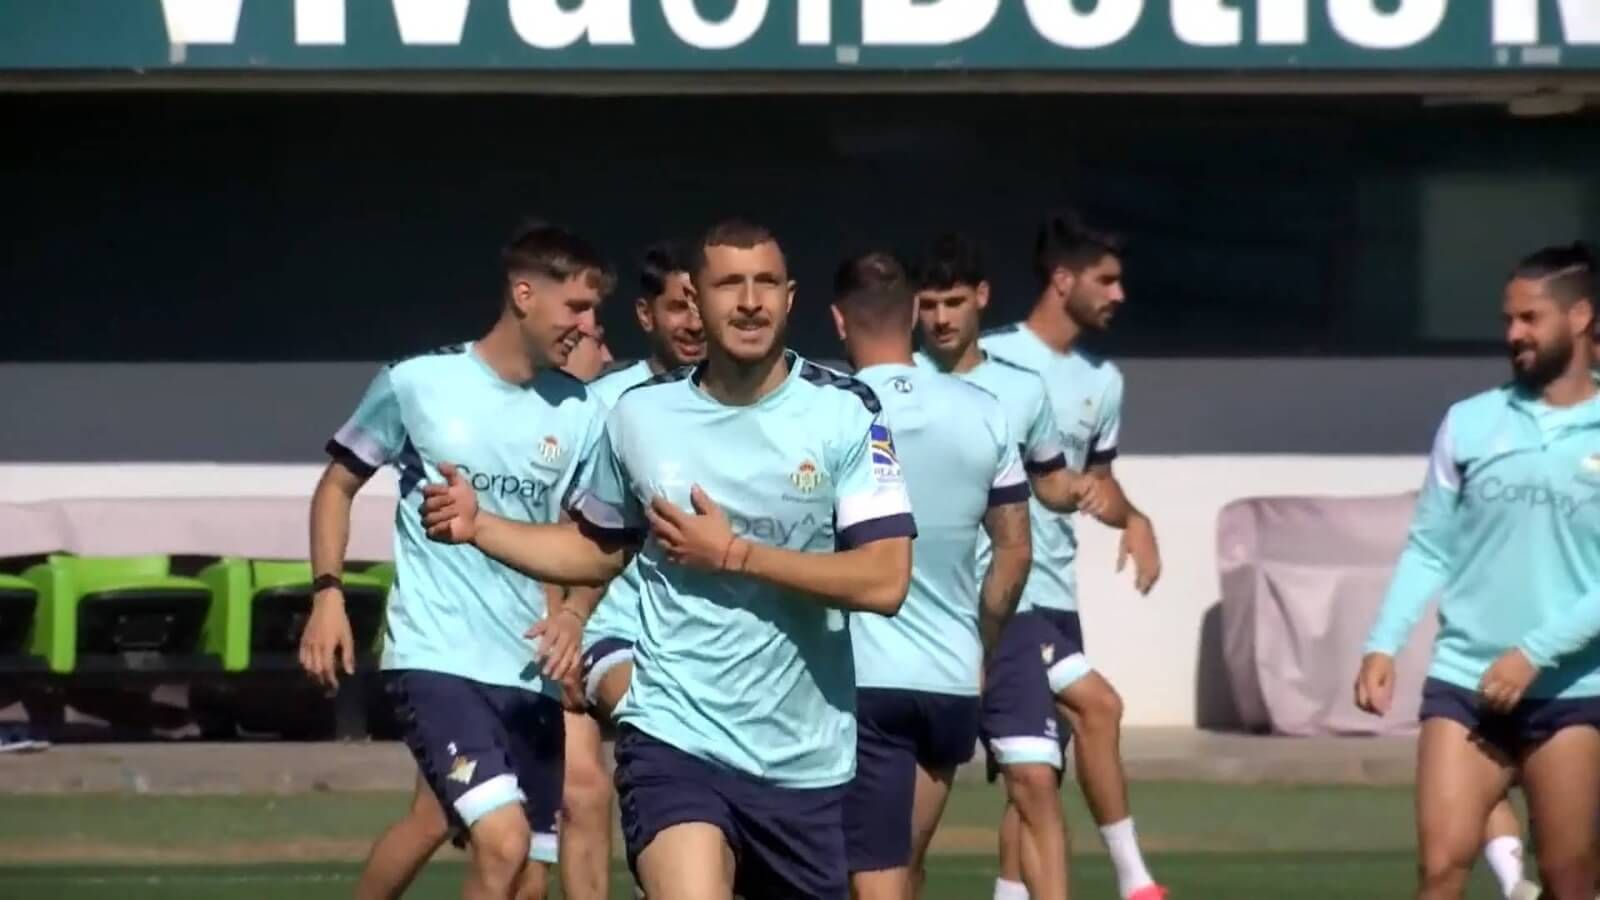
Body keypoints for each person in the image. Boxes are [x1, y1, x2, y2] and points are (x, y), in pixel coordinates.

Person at [419, 219, 916, 900]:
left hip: (807, 761)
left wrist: (738, 554)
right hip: (676, 735)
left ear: (791, 298)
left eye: (765, 283)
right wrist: (483, 528)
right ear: (696, 301)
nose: (748, 301)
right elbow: (596, 550)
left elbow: (885, 578)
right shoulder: (638, 415)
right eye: (728, 285)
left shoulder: (847, 413)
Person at [299, 221, 613, 900]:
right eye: (577, 308)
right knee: (502, 844)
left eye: (594, 312)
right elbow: (337, 485)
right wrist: (327, 593)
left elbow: (592, 543)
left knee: (527, 878)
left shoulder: (583, 413)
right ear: (524, 294)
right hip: (436, 659)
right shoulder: (418, 382)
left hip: (527, 675)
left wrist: (575, 617)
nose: (588, 327)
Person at [1356, 242, 1600, 900]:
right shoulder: (1469, 422)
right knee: (1440, 868)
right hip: (1463, 682)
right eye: (1507, 321)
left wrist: (1533, 654)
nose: (1513, 334)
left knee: (1569, 879)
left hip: (1570, 691)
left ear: (1579, 318)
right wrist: (1383, 642)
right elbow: (1429, 546)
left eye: (1529, 318)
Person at [912, 232, 1117, 900]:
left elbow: (1050, 481)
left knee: (1035, 779)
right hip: (922, 623)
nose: (941, 318)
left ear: (981, 299)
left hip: (1009, 619)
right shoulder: (897, 383)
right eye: (928, 304)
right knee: (909, 827)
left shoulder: (1023, 390)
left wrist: (1081, 490)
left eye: (953, 302)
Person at [827, 250, 1034, 900]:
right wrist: (984, 640)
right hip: (951, 682)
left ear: (838, 322)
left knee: (869, 879)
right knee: (903, 869)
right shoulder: (985, 410)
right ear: (915, 312)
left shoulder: (826, 407)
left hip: (863, 681)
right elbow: (1015, 550)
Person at [975, 214, 1166, 900]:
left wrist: (1133, 519)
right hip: (1008, 599)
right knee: (1100, 709)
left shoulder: (1102, 381)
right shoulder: (991, 360)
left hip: (1059, 598)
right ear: (1062, 279)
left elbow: (1097, 484)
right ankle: (1135, 880)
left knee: (1036, 775)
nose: (1119, 294)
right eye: (1105, 279)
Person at [559, 240, 705, 900]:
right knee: (666, 730)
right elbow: (570, 528)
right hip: (614, 627)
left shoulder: (734, 401)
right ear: (647, 316)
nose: (695, 322)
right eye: (679, 307)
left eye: (703, 304)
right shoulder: (604, 403)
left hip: (704, 638)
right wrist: (561, 622)